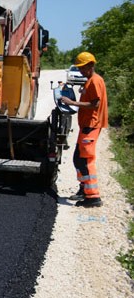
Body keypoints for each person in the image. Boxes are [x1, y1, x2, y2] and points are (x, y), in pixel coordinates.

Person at [59, 51, 108, 208]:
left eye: (83, 68)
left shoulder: (95, 81)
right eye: (79, 68)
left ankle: (93, 197)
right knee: (77, 158)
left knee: (85, 160)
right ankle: (83, 189)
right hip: (86, 125)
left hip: (91, 125)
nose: (80, 71)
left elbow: (95, 104)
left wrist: (72, 102)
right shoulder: (89, 81)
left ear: (91, 65)